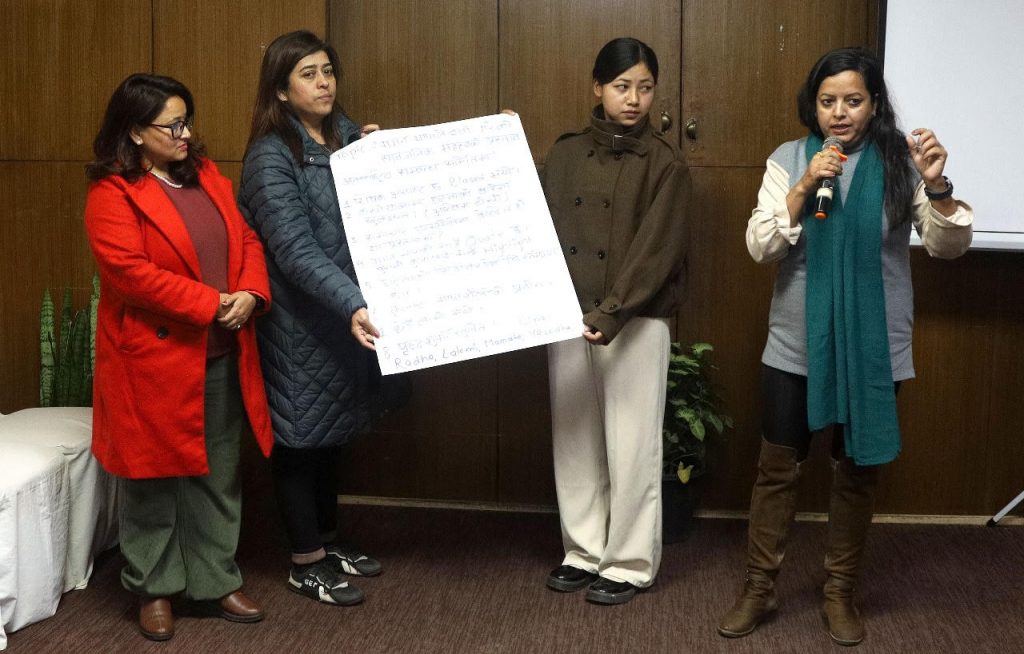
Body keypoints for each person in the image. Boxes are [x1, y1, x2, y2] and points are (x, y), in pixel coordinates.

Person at [717, 47, 973, 646]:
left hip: (874, 346)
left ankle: (840, 593)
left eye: (853, 100)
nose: (839, 113)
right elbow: (761, 247)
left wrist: (937, 186)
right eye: (828, 101)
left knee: (856, 473)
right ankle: (759, 588)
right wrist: (807, 182)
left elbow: (948, 247)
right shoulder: (789, 158)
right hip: (795, 344)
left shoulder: (900, 162)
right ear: (814, 105)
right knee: (776, 470)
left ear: (874, 104)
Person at [84, 73, 273, 641]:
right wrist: (211, 304)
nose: (185, 133)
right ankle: (155, 587)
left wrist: (250, 292)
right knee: (153, 478)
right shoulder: (112, 194)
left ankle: (216, 580)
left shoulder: (206, 175)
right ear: (135, 132)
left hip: (220, 351)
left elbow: (246, 239)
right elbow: (130, 275)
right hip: (153, 359)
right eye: (172, 125)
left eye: (186, 121)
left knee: (218, 471)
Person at [540, 37, 690, 605]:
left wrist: (613, 311)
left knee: (632, 445)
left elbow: (658, 251)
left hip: (636, 318)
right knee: (574, 438)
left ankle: (627, 562)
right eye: (622, 86)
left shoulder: (666, 163)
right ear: (597, 87)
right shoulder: (565, 154)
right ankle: (582, 550)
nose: (634, 99)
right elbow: (535, 224)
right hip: (567, 316)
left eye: (645, 88)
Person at [238, 30, 383, 607]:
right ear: (280, 89)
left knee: (332, 435)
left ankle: (328, 540)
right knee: (299, 440)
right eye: (308, 74)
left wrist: (382, 156)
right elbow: (295, 251)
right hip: (298, 325)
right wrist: (351, 301)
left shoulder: (347, 137)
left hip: (342, 316)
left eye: (328, 71)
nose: (324, 83)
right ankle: (306, 562)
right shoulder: (270, 156)